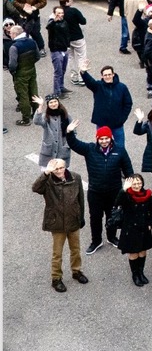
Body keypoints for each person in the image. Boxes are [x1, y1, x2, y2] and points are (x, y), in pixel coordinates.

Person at [66, 125, 133, 253]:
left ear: (111, 138)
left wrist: (131, 185)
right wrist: (69, 132)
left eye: (106, 138)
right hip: (95, 192)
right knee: (95, 217)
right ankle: (96, 241)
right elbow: (74, 144)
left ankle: (111, 237)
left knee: (112, 215)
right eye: (101, 139)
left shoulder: (120, 150)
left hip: (114, 191)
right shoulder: (90, 149)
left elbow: (128, 169)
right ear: (97, 139)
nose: (104, 141)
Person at [32, 158, 89, 292]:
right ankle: (56, 278)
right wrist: (46, 173)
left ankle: (76, 271)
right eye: (56, 169)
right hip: (57, 222)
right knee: (57, 253)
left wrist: (81, 218)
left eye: (61, 168)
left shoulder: (75, 177)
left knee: (76, 249)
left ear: (65, 167)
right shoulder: (47, 181)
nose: (59, 171)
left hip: (73, 221)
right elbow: (35, 188)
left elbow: (80, 199)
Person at [114, 173, 152, 288]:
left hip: (144, 228)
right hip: (130, 229)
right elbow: (117, 202)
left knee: (143, 251)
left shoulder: (147, 195)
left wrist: (151, 223)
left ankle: (141, 272)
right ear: (130, 185)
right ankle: (135, 275)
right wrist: (123, 189)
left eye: (139, 183)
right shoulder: (126, 195)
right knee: (133, 252)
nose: (137, 185)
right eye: (134, 183)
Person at [79, 63, 134, 146]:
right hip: (101, 123)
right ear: (102, 76)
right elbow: (90, 82)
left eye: (109, 74)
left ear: (113, 74)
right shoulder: (98, 86)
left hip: (117, 124)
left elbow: (128, 103)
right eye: (105, 75)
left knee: (120, 147)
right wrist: (83, 72)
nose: (107, 77)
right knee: (101, 146)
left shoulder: (122, 87)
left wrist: (123, 118)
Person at [6, 22, 41, 125]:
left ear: (14, 34)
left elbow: (12, 64)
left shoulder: (14, 47)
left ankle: (25, 119)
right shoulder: (32, 42)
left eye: (11, 33)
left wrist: (13, 71)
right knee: (34, 91)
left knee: (23, 95)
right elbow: (38, 56)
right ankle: (35, 113)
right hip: (32, 70)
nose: (10, 35)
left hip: (20, 74)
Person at [33, 94, 72, 167]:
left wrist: (67, 145)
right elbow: (36, 121)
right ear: (48, 105)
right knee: (47, 174)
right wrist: (40, 106)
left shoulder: (66, 116)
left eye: (55, 101)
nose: (53, 104)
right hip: (49, 151)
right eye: (51, 102)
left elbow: (74, 132)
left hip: (62, 151)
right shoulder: (46, 116)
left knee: (62, 173)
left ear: (58, 102)